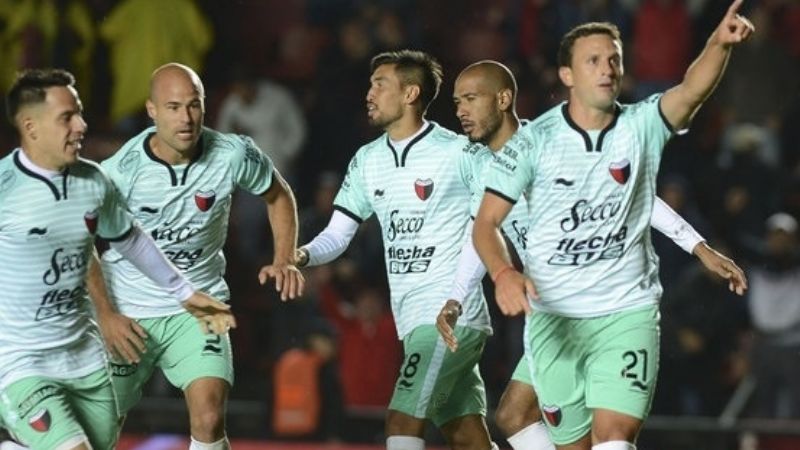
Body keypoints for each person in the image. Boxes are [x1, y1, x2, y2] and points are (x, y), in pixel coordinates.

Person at [472, 2, 753, 449]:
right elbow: (486, 223)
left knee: (614, 436)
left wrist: (719, 44)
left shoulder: (640, 126)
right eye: (593, 60)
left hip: (627, 312)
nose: (607, 69)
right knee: (541, 429)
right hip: (556, 320)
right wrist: (503, 272)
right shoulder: (532, 143)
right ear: (567, 75)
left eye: (614, 59)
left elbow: (689, 92)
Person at [0, 68, 234, 450]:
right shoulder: (4, 189)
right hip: (19, 361)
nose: (81, 126)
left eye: (79, 113)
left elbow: (131, 240)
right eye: (67, 117)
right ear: (31, 126)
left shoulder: (93, 181)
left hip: (85, 359)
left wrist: (185, 292)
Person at [89, 63, 304, 450]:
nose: (186, 118)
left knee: (209, 416)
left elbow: (278, 194)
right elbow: (79, 239)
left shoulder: (233, 153)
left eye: (194, 105)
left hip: (204, 304)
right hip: (128, 308)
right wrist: (104, 314)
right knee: (96, 432)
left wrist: (284, 257)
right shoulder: (119, 171)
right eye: (173, 107)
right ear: (152, 110)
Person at [295, 50, 497, 450]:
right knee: (465, 436)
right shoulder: (368, 159)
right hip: (412, 318)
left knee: (401, 421)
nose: (369, 94)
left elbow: (486, 229)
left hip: (448, 317)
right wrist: (300, 255)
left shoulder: (459, 152)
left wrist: (458, 297)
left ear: (410, 93)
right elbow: (338, 235)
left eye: (379, 84)